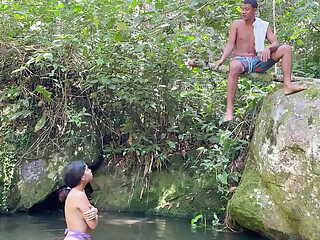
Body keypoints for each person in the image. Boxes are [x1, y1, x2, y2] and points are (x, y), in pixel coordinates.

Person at [214, 0, 306, 121]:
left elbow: (275, 42)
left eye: (246, 9)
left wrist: (269, 47)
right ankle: (229, 110)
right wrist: (222, 59)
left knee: (286, 48)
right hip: (241, 61)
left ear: (254, 10)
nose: (243, 12)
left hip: (257, 61)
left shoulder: (262, 25)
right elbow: (230, 44)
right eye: (242, 9)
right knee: (234, 66)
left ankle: (288, 85)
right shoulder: (236, 24)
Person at [61, 161, 99, 240]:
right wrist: (95, 214)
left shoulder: (76, 192)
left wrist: (94, 211)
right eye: (87, 169)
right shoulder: (79, 195)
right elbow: (93, 224)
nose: (90, 170)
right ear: (82, 177)